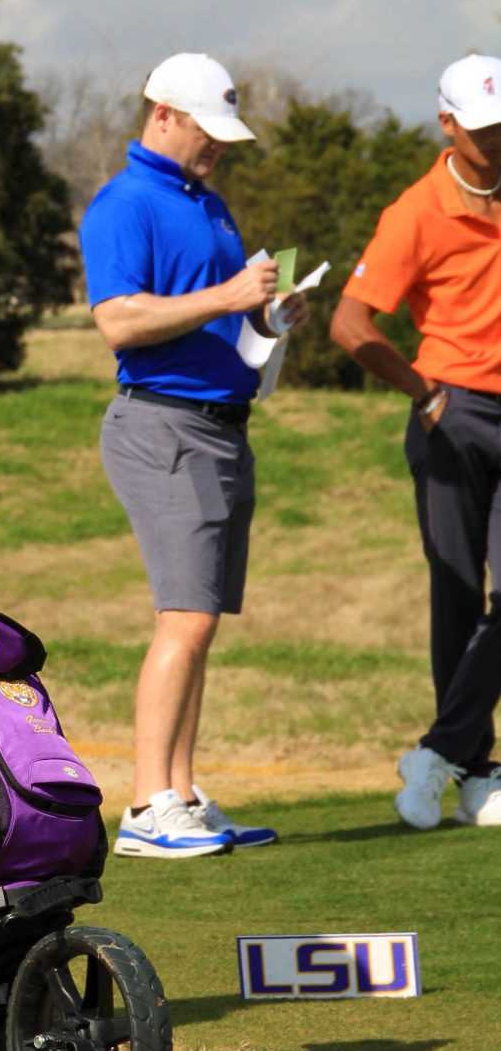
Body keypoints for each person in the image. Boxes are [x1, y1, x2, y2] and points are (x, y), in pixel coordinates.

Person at [79, 53, 304, 859]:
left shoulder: (204, 202)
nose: (217, 148)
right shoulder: (123, 204)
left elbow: (213, 321)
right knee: (185, 616)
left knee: (199, 620)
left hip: (216, 427)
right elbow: (119, 323)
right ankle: (144, 807)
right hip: (163, 427)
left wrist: (270, 317)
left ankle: (178, 790)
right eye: (206, 132)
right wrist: (229, 296)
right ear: (162, 113)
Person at [331, 55, 501, 830]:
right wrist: (421, 390)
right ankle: (474, 773)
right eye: (482, 130)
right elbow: (350, 324)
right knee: (457, 598)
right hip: (451, 414)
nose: (495, 141)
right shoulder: (416, 211)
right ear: (446, 124)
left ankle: (436, 752)